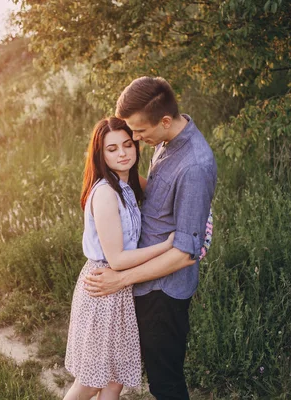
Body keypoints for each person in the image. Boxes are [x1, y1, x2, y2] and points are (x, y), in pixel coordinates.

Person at [84, 77, 218, 399]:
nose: (135, 137)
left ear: (165, 121)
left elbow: (186, 253)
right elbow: (157, 191)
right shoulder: (165, 139)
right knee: (115, 372)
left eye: (139, 132)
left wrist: (121, 279)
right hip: (143, 279)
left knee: (165, 383)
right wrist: (113, 176)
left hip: (163, 291)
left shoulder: (195, 166)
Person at [63, 117, 176, 400]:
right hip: (103, 288)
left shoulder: (127, 182)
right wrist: (167, 246)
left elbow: (162, 196)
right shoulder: (104, 192)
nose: (122, 153)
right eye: (111, 149)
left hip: (121, 291)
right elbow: (116, 259)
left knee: (114, 382)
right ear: (100, 154)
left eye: (127, 145)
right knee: (90, 382)